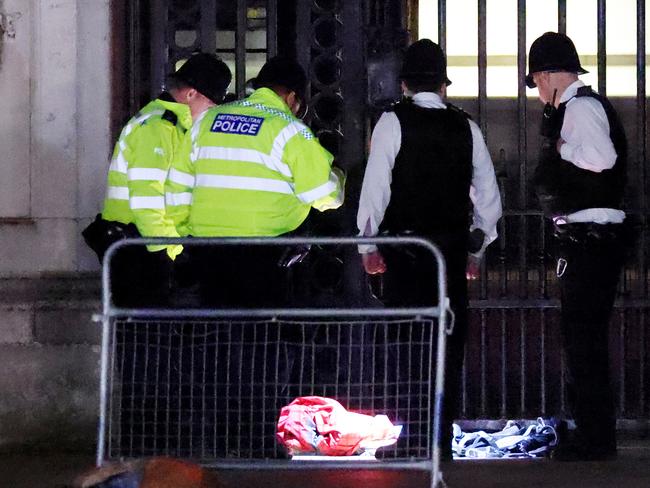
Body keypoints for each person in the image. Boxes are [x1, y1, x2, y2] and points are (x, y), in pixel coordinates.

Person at [357, 39, 502, 459]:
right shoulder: (466, 126)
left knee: (407, 347)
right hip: (450, 256)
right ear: (442, 86)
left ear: (404, 84)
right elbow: (489, 197)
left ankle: (413, 437)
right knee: (447, 347)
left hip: (405, 255)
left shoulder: (391, 122)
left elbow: (376, 189)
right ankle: (441, 439)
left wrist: (368, 245)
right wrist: (478, 246)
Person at [166, 56, 345, 307]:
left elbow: (177, 186)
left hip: (207, 249)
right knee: (261, 336)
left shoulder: (206, 122)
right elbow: (324, 197)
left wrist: (185, 238)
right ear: (292, 98)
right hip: (266, 254)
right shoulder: (290, 130)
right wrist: (338, 177)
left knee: (219, 333)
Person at [527, 32, 627, 461]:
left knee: (583, 339)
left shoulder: (580, 108)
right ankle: (591, 432)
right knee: (582, 338)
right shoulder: (582, 107)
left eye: (536, 81)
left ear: (548, 76)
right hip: (590, 237)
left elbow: (601, 158)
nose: (537, 94)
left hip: (590, 237)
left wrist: (562, 146)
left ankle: (595, 438)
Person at [95, 52, 231, 306]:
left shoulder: (171, 125)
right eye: (211, 105)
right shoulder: (158, 128)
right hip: (142, 250)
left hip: (147, 246)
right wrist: (174, 254)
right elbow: (148, 199)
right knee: (145, 337)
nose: (211, 112)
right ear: (191, 94)